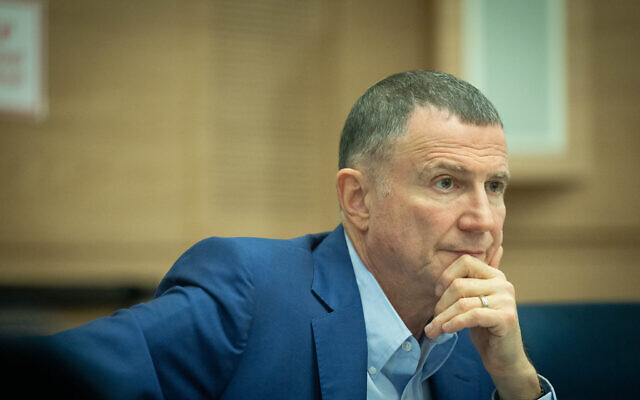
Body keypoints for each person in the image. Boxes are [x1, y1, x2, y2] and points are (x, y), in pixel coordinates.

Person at [38, 70, 555, 399]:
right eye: (447, 183)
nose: (483, 219)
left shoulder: (478, 337)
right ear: (359, 200)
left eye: (495, 186)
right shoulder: (248, 292)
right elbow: (52, 379)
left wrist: (518, 385)